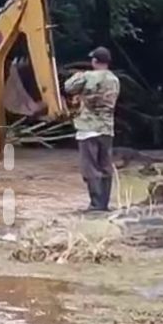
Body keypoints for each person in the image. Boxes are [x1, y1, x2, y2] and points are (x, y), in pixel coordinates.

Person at [63, 46, 120, 212]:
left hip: (88, 128)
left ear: (94, 61)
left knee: (90, 167)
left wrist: (79, 75)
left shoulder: (87, 77)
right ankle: (104, 204)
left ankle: (95, 204)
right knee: (105, 166)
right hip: (107, 129)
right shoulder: (114, 80)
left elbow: (68, 87)